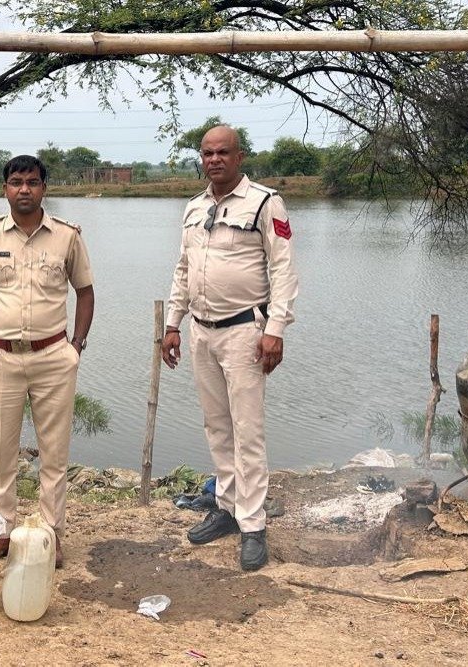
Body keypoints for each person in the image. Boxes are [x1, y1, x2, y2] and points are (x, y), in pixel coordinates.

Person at [161, 125, 299, 571]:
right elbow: (183, 270)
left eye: (223, 152)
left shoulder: (263, 202)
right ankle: (226, 507)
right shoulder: (194, 207)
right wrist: (172, 324)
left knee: (248, 430)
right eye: (207, 153)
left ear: (240, 156)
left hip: (245, 331)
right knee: (217, 425)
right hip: (201, 331)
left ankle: (253, 525)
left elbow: (283, 270)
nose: (214, 159)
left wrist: (275, 329)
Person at [0, 155, 95, 568]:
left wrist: (76, 345)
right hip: (0, 356)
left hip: (53, 356)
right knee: (1, 452)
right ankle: (1, 530)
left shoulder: (67, 237)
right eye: (16, 182)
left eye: (33, 182)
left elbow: (85, 292)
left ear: (44, 188)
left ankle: (49, 534)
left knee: (54, 452)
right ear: (5, 188)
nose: (25, 189)